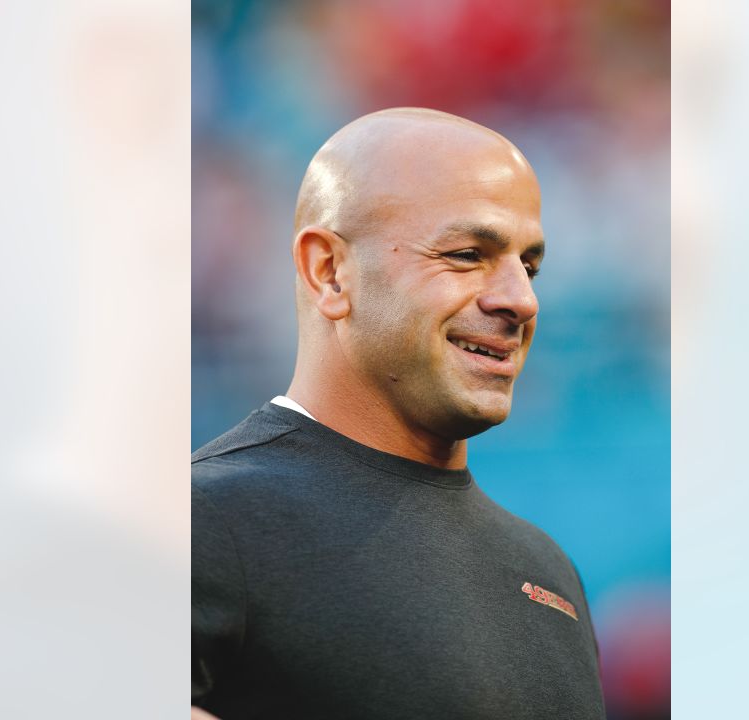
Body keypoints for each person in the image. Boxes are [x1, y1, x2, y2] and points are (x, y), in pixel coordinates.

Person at [192, 108, 606, 719]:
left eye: (531, 266)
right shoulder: (198, 522)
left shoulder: (549, 574)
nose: (522, 299)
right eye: (468, 254)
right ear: (330, 272)